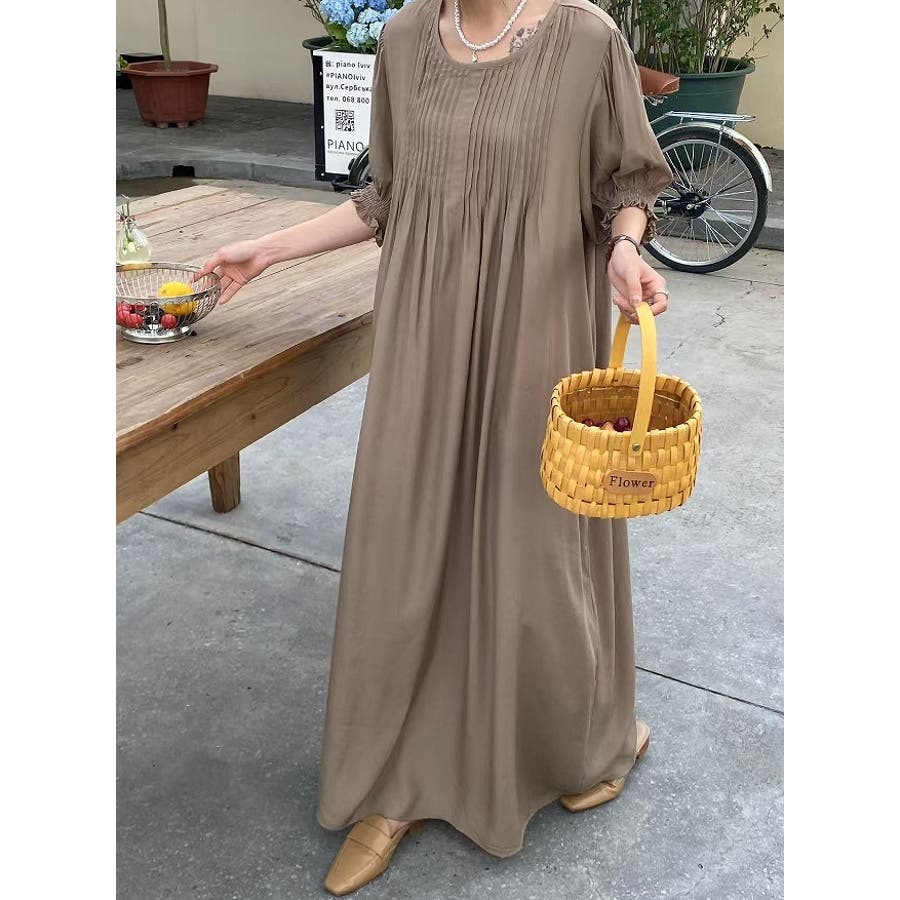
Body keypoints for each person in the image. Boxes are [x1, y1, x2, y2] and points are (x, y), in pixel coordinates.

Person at [197, 0, 673, 894]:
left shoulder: (586, 38)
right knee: (406, 543)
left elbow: (627, 182)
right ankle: (394, 784)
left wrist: (624, 248)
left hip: (535, 330)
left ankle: (572, 742)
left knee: (531, 547)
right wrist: (268, 249)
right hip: (424, 333)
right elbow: (390, 198)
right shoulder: (405, 38)